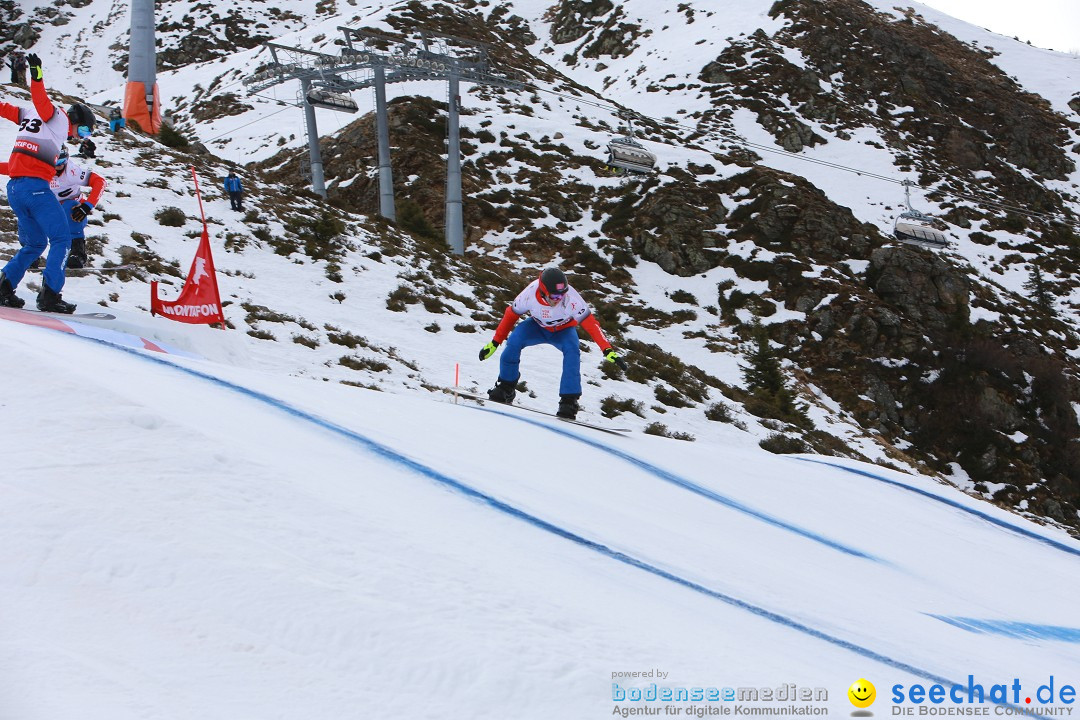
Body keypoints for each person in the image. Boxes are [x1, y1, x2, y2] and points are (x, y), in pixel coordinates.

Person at [0, 53, 96, 313]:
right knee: (62, 239)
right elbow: (42, 101)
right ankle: (50, 295)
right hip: (35, 189)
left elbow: (6, 109)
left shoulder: (29, 115)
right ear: (75, 121)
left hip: (15, 189)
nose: (80, 137)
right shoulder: (59, 119)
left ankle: (4, 287)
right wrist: (37, 75)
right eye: (84, 130)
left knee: (34, 244)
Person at [478, 267, 628, 419]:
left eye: (562, 294)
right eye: (555, 296)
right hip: (537, 327)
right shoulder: (529, 294)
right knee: (514, 341)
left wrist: (607, 349)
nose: (559, 299)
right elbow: (511, 315)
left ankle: (569, 401)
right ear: (543, 291)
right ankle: (506, 387)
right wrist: (495, 342)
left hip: (563, 331)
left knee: (572, 351)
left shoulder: (571, 298)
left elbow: (591, 324)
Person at [51, 146, 107, 269]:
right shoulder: (40, 167)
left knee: (70, 206)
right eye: (54, 162)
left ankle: (78, 254)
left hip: (73, 212)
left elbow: (100, 182)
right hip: (51, 210)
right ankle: (31, 253)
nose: (57, 167)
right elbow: (14, 168)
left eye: (61, 162)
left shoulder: (72, 171)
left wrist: (87, 206)